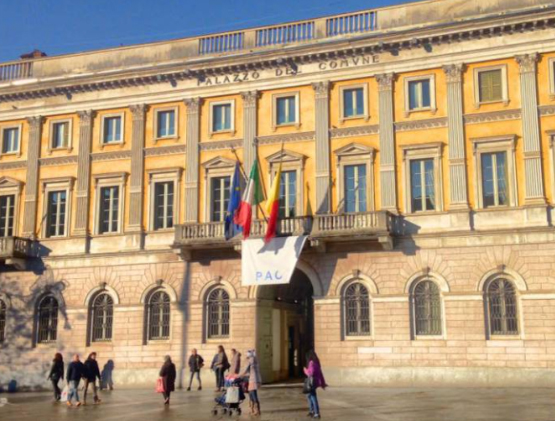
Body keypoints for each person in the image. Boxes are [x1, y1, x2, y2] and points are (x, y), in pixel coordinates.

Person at [303, 350, 327, 419]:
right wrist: (322, 382)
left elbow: (310, 373)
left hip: (312, 382)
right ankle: (312, 411)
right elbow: (320, 373)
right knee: (309, 396)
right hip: (315, 382)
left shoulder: (311, 363)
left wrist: (305, 370)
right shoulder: (317, 362)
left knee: (313, 397)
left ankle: (316, 413)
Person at [241, 349, 262, 416]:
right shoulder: (255, 360)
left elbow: (245, 371)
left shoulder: (250, 361)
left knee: (253, 395)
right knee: (251, 394)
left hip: (252, 380)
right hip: (255, 380)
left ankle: (257, 410)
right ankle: (253, 410)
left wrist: (238, 375)